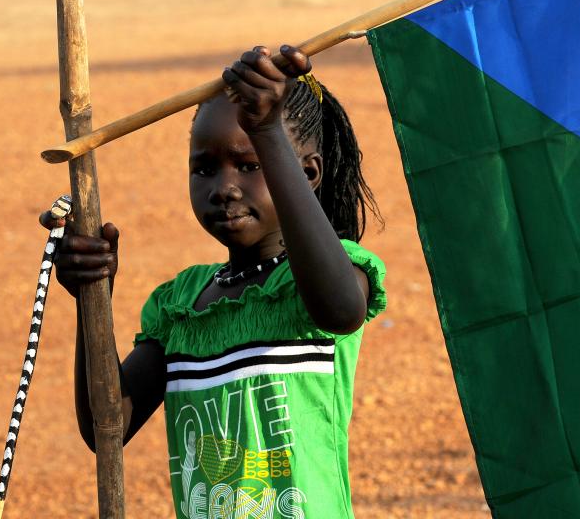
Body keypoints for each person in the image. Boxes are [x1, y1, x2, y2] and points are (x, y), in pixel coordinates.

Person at [40, 44, 386, 519]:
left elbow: (341, 310)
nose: (224, 187)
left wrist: (266, 128)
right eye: (204, 168)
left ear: (306, 173)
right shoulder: (183, 304)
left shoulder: (328, 277)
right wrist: (92, 297)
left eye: (250, 165)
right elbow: (107, 426)